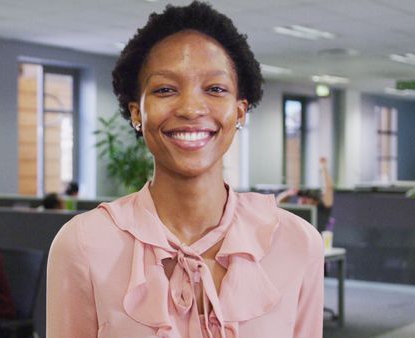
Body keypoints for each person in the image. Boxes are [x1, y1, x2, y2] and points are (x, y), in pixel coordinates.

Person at [47, 2, 323, 338]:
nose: (191, 108)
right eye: (165, 89)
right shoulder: (83, 244)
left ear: (240, 112)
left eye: (215, 89)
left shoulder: (296, 242)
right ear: (137, 113)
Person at [277, 157, 334, 232]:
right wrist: (289, 193)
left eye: (307, 198)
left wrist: (324, 167)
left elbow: (329, 189)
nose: (303, 199)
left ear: (315, 201)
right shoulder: (297, 212)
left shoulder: (322, 210)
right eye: (301, 197)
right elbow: (278, 204)